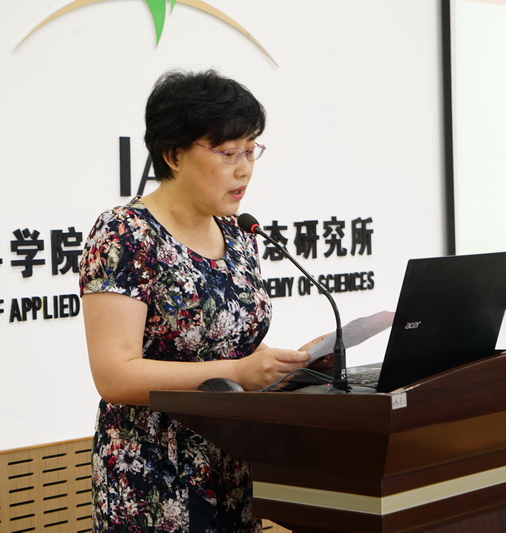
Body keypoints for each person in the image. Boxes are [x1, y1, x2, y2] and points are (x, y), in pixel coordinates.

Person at [79, 69, 325, 532]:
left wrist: (284, 368)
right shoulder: (125, 234)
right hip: (154, 472)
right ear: (174, 155)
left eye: (251, 151)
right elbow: (114, 375)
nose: (244, 168)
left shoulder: (237, 232)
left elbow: (232, 349)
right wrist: (239, 372)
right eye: (228, 153)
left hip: (234, 460)